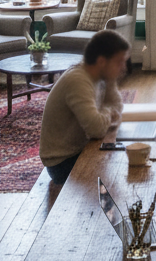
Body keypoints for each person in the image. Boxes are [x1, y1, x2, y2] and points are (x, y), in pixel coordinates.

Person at [38, 30, 128, 184]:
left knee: (125, 158)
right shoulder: (78, 80)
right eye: (119, 62)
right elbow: (96, 128)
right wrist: (107, 112)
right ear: (101, 62)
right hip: (62, 162)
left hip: (79, 148)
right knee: (120, 170)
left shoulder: (99, 76)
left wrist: (111, 82)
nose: (123, 67)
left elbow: (117, 107)